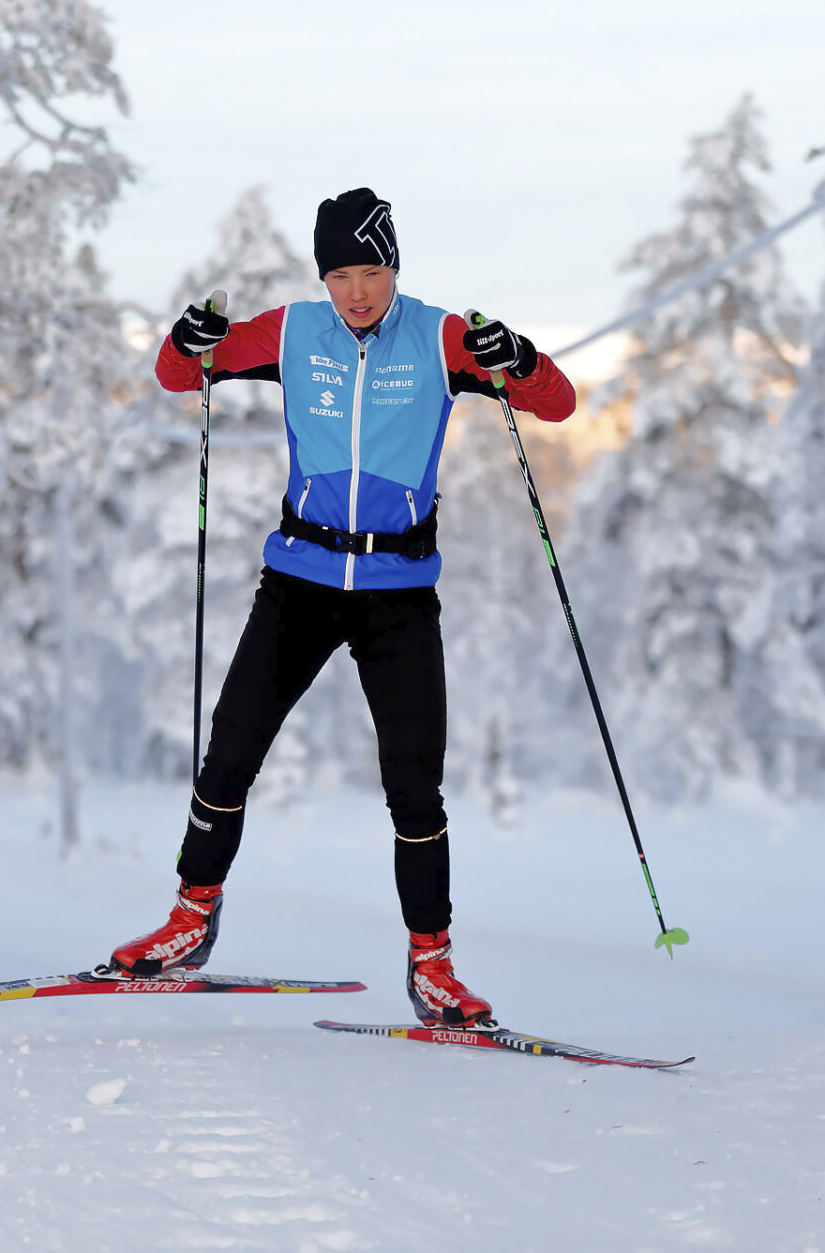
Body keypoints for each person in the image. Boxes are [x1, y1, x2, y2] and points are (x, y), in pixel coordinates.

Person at [106, 188, 576, 1027]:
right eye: (340, 274)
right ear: (322, 277)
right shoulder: (292, 332)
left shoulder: (439, 339)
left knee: (415, 790)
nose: (356, 291)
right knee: (230, 753)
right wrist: (187, 341)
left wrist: (522, 356)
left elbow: (556, 403)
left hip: (397, 595)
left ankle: (432, 967)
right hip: (299, 581)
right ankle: (190, 919)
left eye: (370, 271)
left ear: (392, 268)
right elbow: (180, 376)